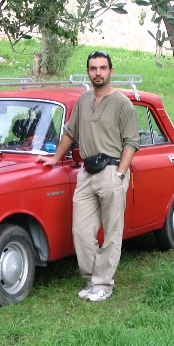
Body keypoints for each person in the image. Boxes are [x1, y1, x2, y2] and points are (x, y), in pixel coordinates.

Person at [35, 51, 139, 302]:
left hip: (112, 171)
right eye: (93, 68)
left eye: (103, 68)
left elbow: (131, 142)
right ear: (88, 72)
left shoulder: (122, 103)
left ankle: (103, 284)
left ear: (111, 71)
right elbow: (69, 134)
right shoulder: (83, 100)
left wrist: (121, 173)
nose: (98, 73)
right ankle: (92, 279)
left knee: (113, 231)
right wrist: (55, 158)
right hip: (86, 172)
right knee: (81, 231)